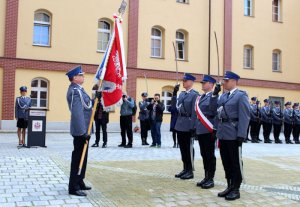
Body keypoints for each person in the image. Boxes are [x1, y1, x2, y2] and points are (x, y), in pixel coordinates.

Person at [216, 71, 250, 201]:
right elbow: (215, 110)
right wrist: (215, 94)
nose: (224, 83)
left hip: (234, 133)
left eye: (226, 80)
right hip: (223, 133)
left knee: (235, 161)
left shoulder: (241, 96)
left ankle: (236, 188)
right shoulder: (223, 96)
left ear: (234, 81)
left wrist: (241, 135)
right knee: (226, 161)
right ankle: (229, 185)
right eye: (224, 80)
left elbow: (245, 116)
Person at [66, 65, 92, 196]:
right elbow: (77, 114)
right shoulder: (75, 91)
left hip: (85, 130)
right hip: (80, 131)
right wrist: (82, 132)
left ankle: (80, 180)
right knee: (78, 158)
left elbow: (88, 106)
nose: (83, 76)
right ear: (75, 78)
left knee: (84, 157)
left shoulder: (80, 90)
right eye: (81, 75)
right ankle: (73, 187)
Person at [195, 75, 220, 189]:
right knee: (204, 154)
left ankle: (211, 179)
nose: (202, 84)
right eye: (202, 83)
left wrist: (214, 128)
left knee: (210, 155)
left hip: (209, 129)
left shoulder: (214, 96)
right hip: (201, 129)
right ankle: (206, 177)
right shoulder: (201, 97)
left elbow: (214, 111)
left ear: (211, 84)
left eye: (204, 83)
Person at [174, 73, 198, 180]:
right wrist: (174, 93)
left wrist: (193, 126)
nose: (183, 82)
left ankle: (190, 170)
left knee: (188, 148)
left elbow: (194, 112)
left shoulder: (195, 95)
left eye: (185, 80)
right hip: (180, 123)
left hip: (188, 124)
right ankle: (185, 168)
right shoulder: (182, 94)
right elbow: (175, 107)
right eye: (183, 80)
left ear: (191, 82)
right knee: (182, 148)